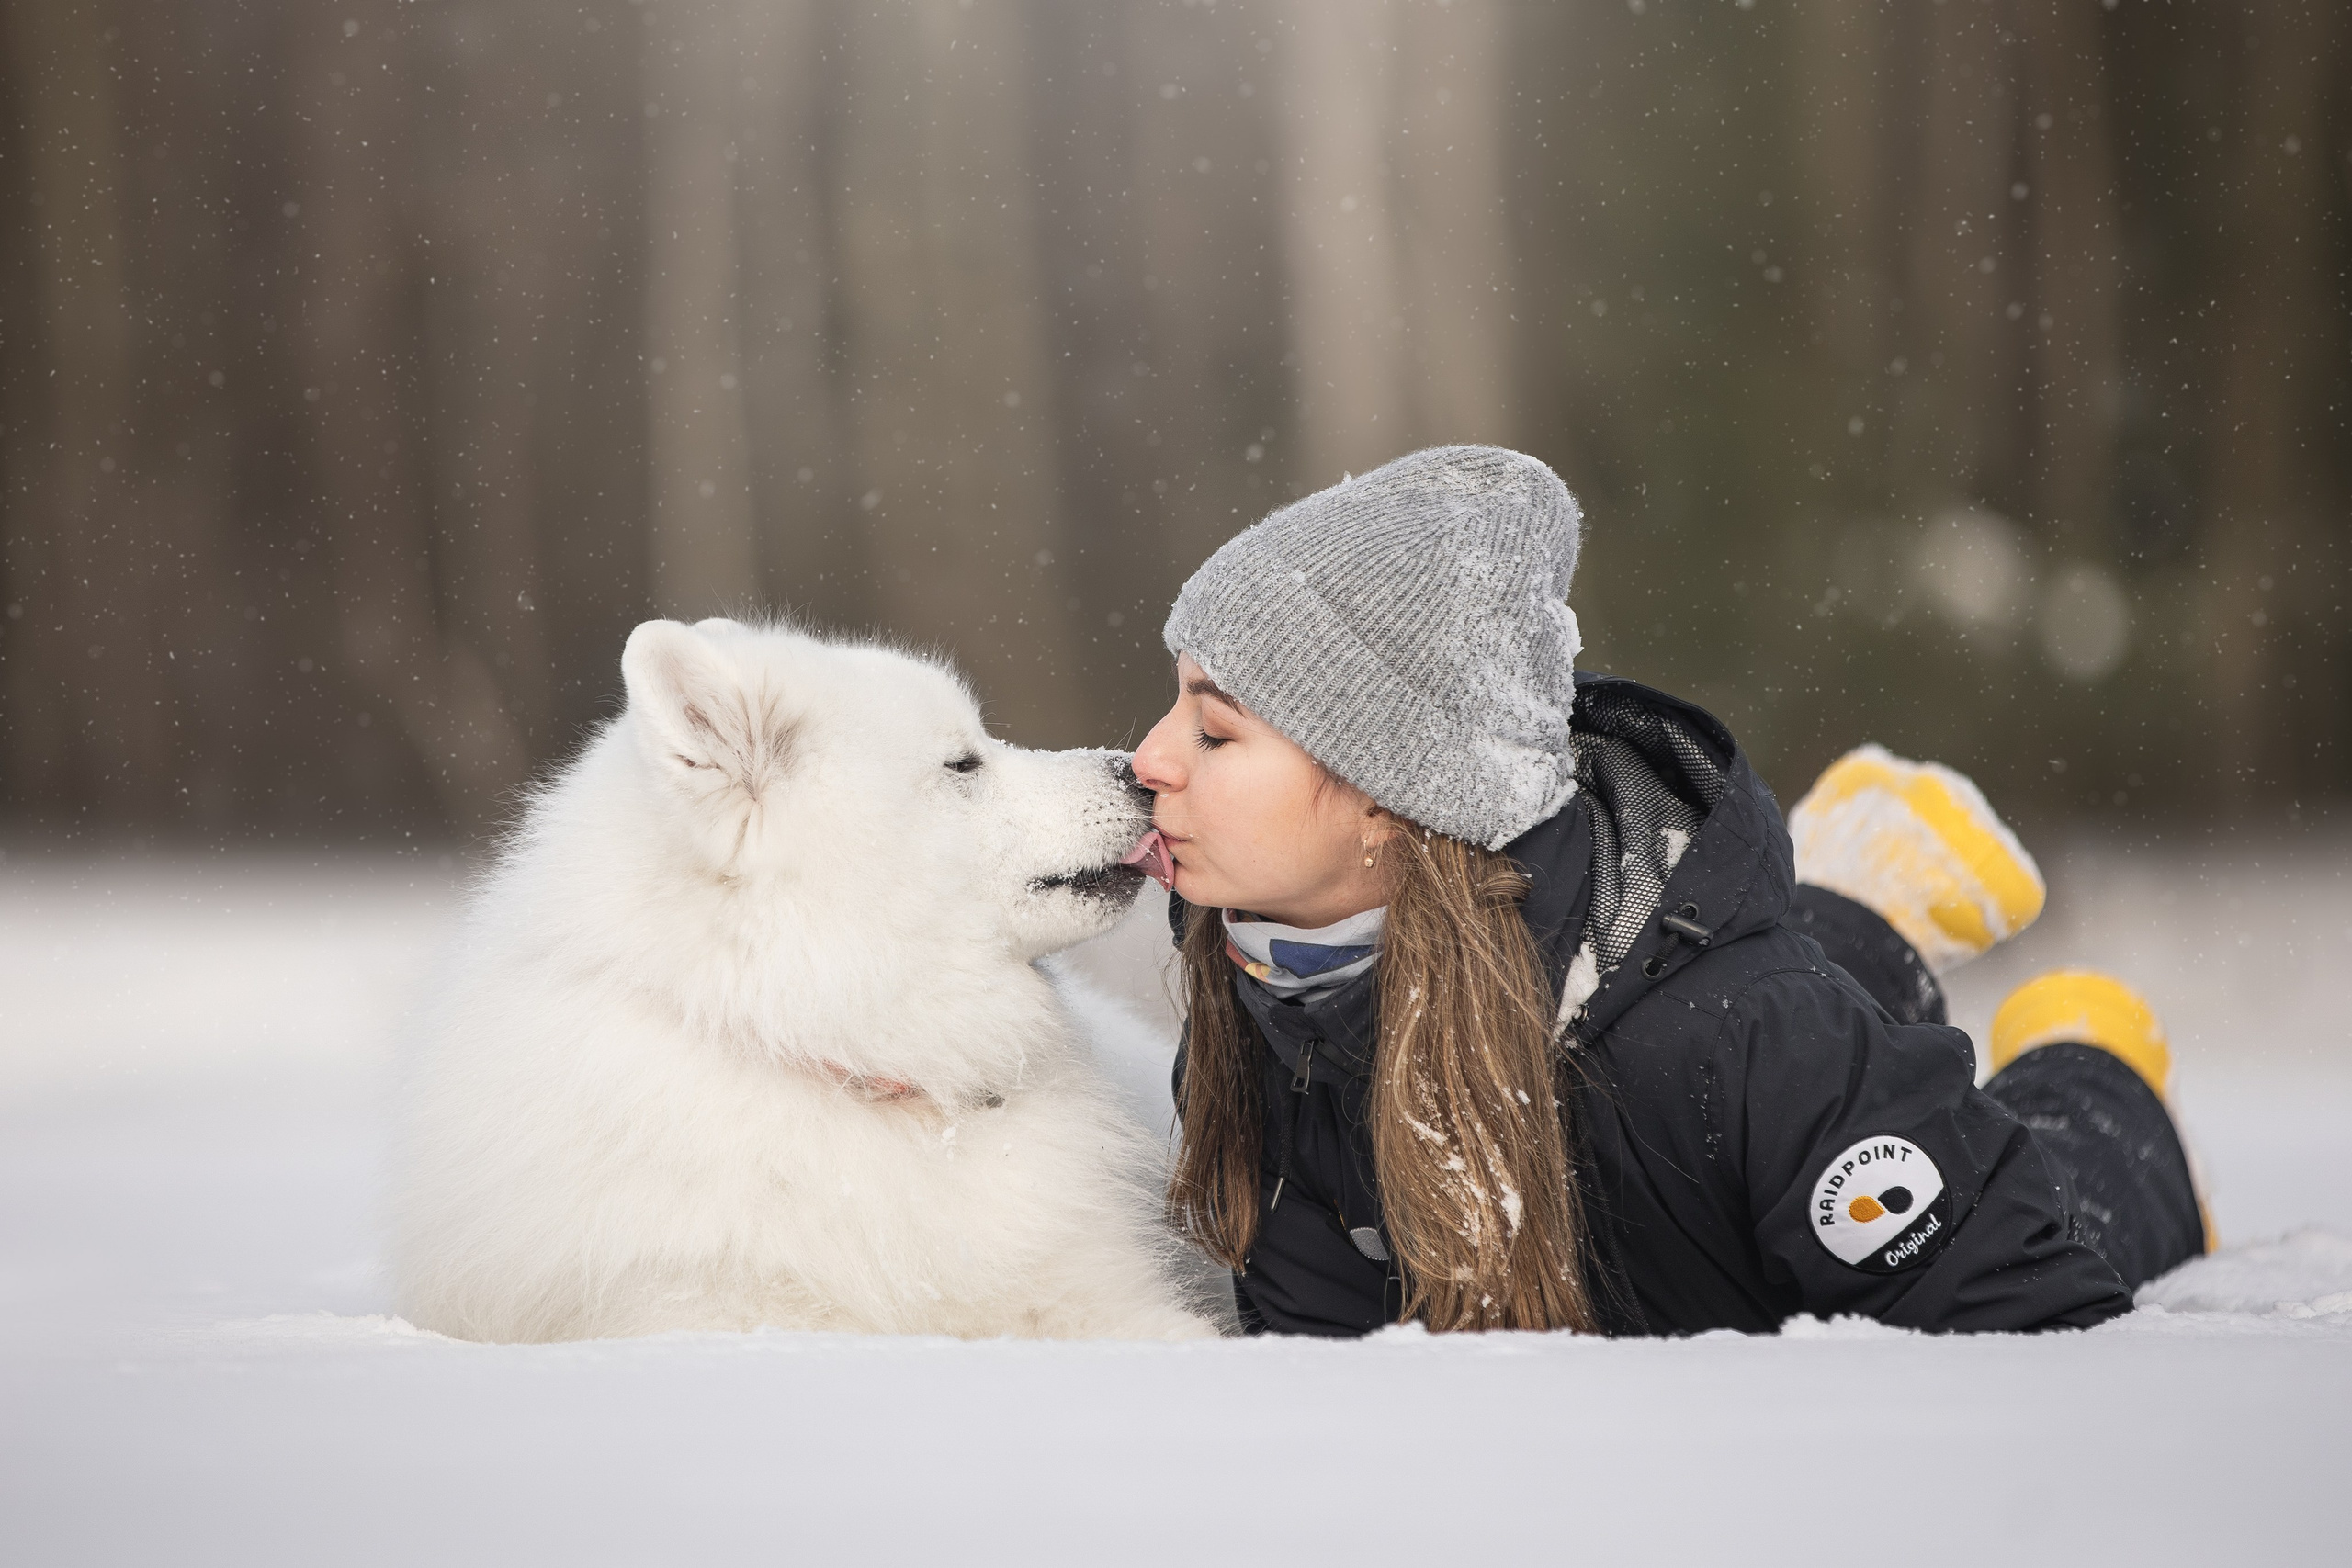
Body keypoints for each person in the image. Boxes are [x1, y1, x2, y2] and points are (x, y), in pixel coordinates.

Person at [1125, 445, 2209, 1337]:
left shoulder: (1739, 1041)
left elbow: (2030, 1317)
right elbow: (1336, 1380)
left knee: (2006, 1152)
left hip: (1830, 1103)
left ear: (1388, 799)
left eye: (1213, 731)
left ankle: (2093, 1053)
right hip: (1712, 1024)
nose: (1146, 760)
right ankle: (1867, 899)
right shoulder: (1269, 1011)